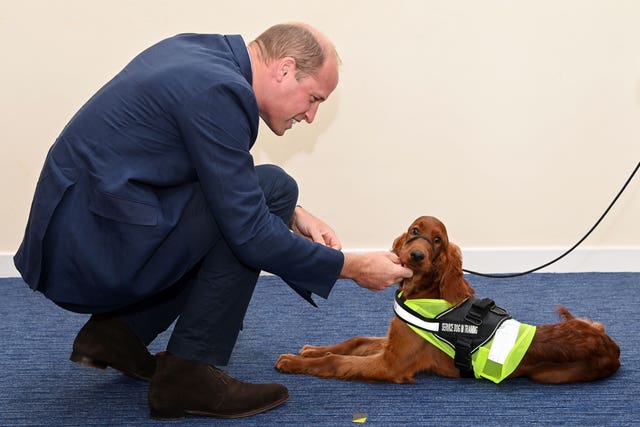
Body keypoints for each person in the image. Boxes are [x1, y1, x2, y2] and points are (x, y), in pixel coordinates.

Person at [14, 22, 412, 420]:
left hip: (82, 230)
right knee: (262, 203)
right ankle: (188, 375)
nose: (310, 116)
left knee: (274, 191)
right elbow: (251, 233)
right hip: (96, 250)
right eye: (313, 99)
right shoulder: (220, 91)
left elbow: (211, 166)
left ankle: (119, 333)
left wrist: (294, 214)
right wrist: (352, 268)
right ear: (285, 69)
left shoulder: (201, 55)